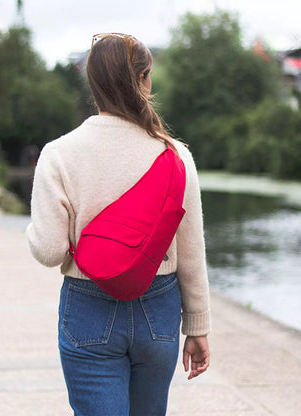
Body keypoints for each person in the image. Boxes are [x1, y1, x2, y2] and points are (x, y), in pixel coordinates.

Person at [26, 33, 210, 416]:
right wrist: (198, 326)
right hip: (159, 309)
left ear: (93, 84)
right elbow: (192, 254)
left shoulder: (59, 154)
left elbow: (49, 251)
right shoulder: (176, 156)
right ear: (144, 80)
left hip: (87, 305)